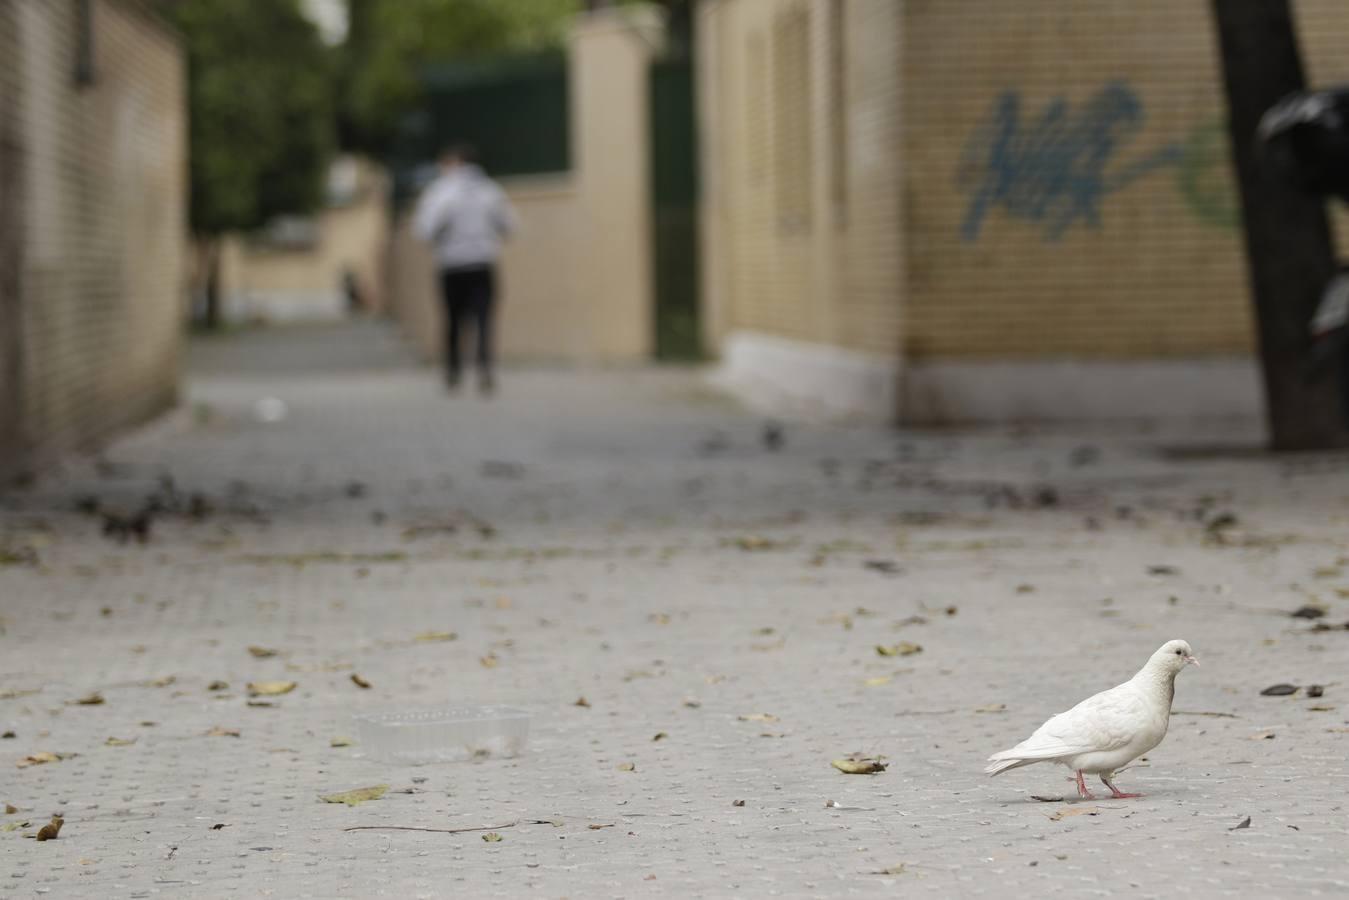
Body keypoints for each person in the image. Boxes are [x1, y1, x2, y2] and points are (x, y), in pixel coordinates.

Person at [413, 144, 516, 394]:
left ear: (453, 162)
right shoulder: (490, 190)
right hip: (482, 262)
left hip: (452, 265)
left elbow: (424, 229)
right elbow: (509, 225)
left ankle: (453, 372)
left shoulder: (441, 191)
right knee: (484, 319)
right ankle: (485, 370)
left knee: (452, 320)